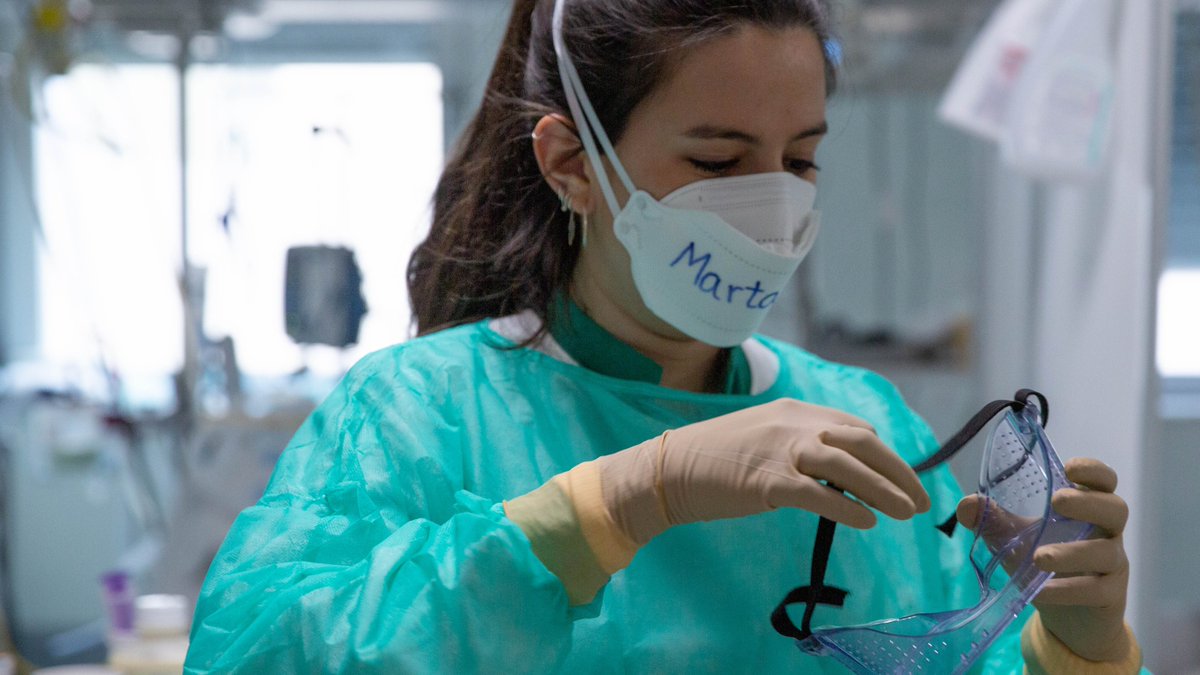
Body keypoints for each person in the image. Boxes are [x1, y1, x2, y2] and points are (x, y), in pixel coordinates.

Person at [184, 0, 1144, 672]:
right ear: (571, 164)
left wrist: (1077, 645)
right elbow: (265, 653)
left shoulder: (865, 422)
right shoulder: (414, 416)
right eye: (718, 159)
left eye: (800, 158)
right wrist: (622, 497)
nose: (773, 203)